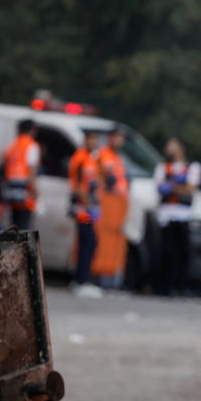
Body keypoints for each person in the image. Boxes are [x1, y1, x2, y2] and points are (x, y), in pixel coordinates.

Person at [152, 137, 201, 295]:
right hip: (166, 214)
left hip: (183, 214)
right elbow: (160, 188)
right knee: (166, 251)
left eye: (171, 145)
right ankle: (164, 286)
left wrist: (171, 185)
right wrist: (179, 186)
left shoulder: (192, 167)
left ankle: (182, 286)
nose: (168, 148)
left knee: (183, 252)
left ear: (180, 148)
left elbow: (190, 189)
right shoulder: (162, 167)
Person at [91, 127, 130, 289]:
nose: (118, 141)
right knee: (101, 242)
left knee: (114, 242)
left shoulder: (118, 158)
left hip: (117, 207)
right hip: (106, 205)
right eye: (116, 137)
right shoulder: (102, 155)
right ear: (109, 138)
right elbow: (99, 179)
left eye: (121, 138)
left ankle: (111, 277)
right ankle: (98, 277)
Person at [68, 130, 103, 297]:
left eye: (96, 140)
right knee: (88, 242)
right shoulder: (81, 158)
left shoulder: (91, 159)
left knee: (89, 243)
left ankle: (81, 279)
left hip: (88, 207)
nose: (94, 143)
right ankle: (81, 281)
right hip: (83, 208)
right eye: (92, 139)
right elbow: (79, 187)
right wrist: (90, 205)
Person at [2, 118, 40, 231]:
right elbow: (31, 171)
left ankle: (12, 248)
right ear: (32, 130)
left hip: (11, 192)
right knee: (24, 228)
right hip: (24, 193)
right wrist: (35, 191)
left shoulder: (13, 145)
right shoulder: (31, 145)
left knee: (14, 226)